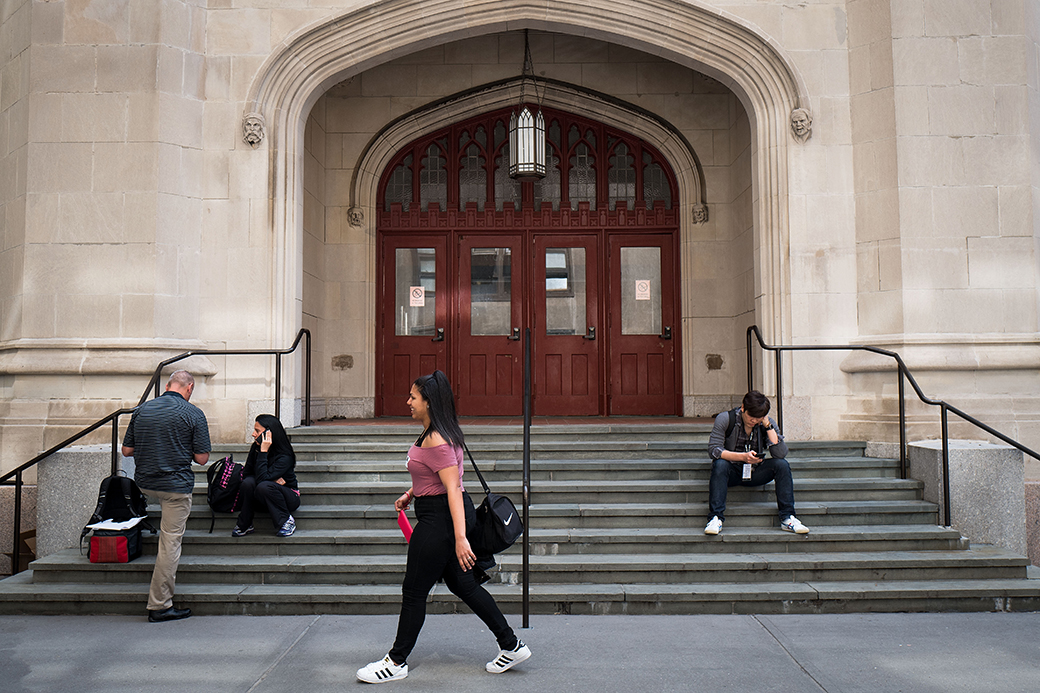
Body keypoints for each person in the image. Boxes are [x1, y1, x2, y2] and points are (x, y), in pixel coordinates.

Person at [356, 371, 531, 684]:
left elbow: (453, 488)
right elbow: (437, 477)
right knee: (464, 586)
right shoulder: (433, 431)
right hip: (440, 513)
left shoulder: (436, 438)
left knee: (413, 591)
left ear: (429, 402)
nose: (408, 402)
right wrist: (411, 493)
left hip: (441, 521)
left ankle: (395, 662)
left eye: (413, 397)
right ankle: (511, 645)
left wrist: (461, 538)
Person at [121, 370, 211, 622]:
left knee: (165, 535)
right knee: (169, 542)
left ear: (168, 385)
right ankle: (159, 605)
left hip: (146, 483)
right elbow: (202, 459)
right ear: (189, 388)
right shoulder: (193, 413)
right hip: (175, 487)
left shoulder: (142, 410)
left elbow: (127, 450)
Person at [704, 390, 809, 536]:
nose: (754, 421)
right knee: (720, 464)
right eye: (751, 416)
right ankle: (716, 518)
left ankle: (788, 518)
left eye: (758, 418)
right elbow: (714, 451)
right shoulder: (725, 419)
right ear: (743, 408)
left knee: (782, 465)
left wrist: (768, 426)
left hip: (756, 472)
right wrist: (742, 457)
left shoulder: (766, 423)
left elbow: (780, 453)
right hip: (731, 471)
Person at [232, 414, 300, 538]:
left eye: (257, 431)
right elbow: (247, 474)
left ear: (269, 433)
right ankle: (245, 524)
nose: (253, 434)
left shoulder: (284, 456)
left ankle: (286, 521)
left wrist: (263, 452)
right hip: (262, 496)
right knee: (249, 483)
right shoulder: (256, 448)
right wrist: (272, 479)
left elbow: (263, 480)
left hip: (288, 497)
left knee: (264, 486)